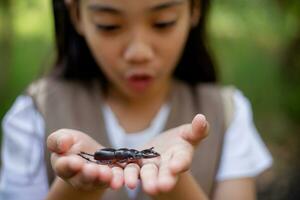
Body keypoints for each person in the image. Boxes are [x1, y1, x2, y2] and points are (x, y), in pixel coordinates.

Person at [0, 0, 273, 199]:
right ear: (76, 15)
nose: (138, 52)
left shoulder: (229, 113)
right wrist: (75, 191)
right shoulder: (34, 113)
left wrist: (176, 185)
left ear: (195, 10)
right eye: (109, 25)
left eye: (163, 22)